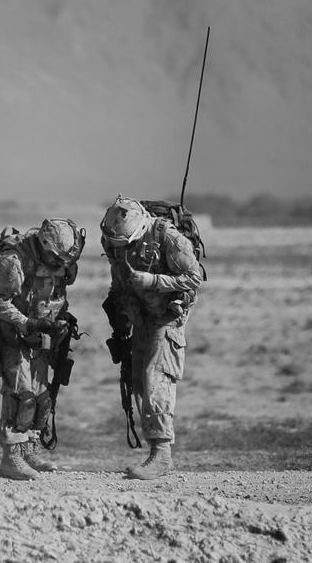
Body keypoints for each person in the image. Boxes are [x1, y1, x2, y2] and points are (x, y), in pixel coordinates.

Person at [100, 195, 203, 480]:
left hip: (167, 315)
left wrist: (154, 281)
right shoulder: (113, 239)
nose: (121, 248)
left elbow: (194, 278)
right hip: (140, 314)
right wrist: (121, 310)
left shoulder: (169, 239)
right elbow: (118, 276)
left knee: (155, 377)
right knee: (140, 383)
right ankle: (154, 451)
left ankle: (162, 456)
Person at [0, 218, 86, 480]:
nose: (60, 265)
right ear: (44, 246)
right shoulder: (13, 260)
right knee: (22, 395)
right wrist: (28, 323)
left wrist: (58, 320)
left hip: (42, 335)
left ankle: (30, 449)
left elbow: (55, 295)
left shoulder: (59, 262)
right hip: (14, 334)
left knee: (42, 397)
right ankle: (11, 458)